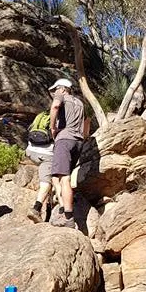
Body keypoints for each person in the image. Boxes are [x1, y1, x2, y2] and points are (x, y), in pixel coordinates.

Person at [48, 79, 87, 230]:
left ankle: (68, 218)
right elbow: (87, 122)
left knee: (64, 178)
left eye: (56, 89)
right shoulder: (80, 103)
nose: (54, 93)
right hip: (78, 142)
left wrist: (52, 128)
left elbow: (55, 106)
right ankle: (64, 207)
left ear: (63, 89)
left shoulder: (61, 97)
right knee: (58, 177)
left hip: (64, 139)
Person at [25, 111, 55, 224]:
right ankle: (36, 208)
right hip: (46, 154)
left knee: (49, 178)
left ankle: (48, 212)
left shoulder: (41, 115)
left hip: (30, 151)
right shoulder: (58, 117)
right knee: (47, 182)